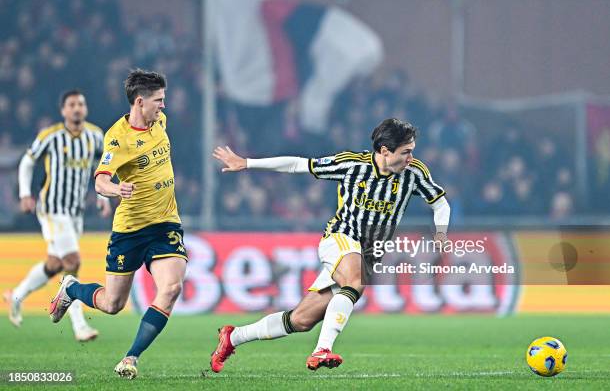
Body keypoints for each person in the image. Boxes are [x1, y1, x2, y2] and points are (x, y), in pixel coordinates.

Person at [210, 117, 451, 372]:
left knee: (301, 320)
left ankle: (233, 337)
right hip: (339, 237)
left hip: (367, 254)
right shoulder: (351, 165)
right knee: (354, 281)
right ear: (384, 151)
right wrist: (247, 163)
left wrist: (441, 232)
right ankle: (321, 350)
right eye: (406, 152)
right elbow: (298, 165)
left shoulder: (414, 174)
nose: (411, 157)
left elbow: (440, 202)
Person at [48, 69, 187, 380]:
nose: (164, 107)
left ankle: (131, 357)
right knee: (112, 304)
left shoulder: (159, 122)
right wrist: (117, 190)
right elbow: (100, 182)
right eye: (158, 101)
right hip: (130, 231)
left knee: (172, 287)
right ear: (140, 102)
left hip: (165, 225)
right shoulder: (117, 138)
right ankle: (72, 289)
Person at [3, 90, 110, 342]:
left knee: (54, 265)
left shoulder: (95, 136)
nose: (77, 108)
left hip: (75, 212)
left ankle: (15, 296)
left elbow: (102, 168)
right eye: (71, 105)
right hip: (52, 209)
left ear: (86, 108)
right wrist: (26, 194)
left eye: (81, 104)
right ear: (63, 111)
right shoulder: (51, 136)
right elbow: (28, 162)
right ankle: (79, 325)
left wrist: (103, 197)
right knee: (72, 261)